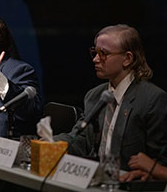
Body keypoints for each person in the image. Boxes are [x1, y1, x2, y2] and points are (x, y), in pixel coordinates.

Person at [53, 24, 167, 171]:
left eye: (103, 53)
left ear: (127, 58)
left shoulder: (153, 99)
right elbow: (81, 140)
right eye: (94, 52)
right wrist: (48, 143)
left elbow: (161, 161)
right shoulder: (94, 95)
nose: (95, 59)